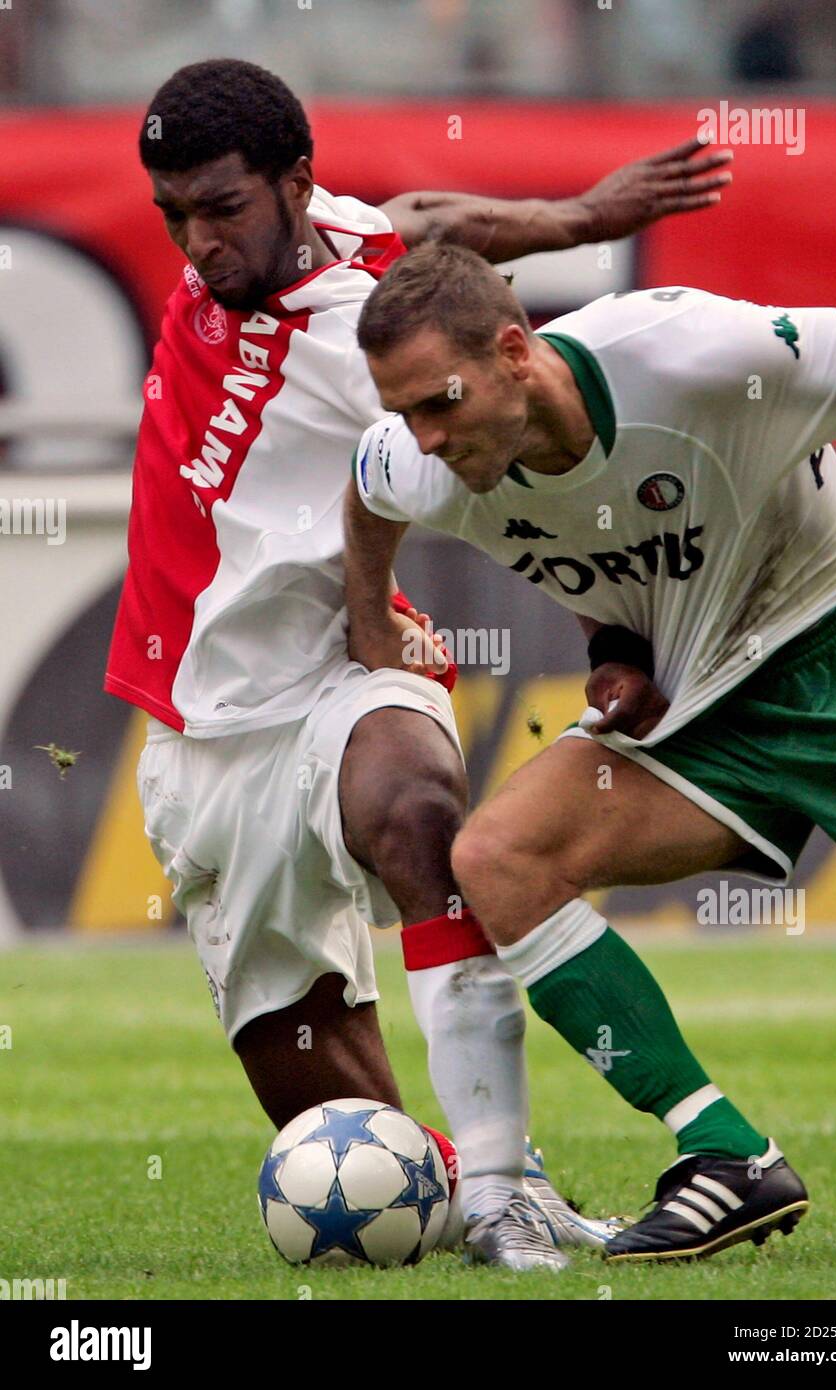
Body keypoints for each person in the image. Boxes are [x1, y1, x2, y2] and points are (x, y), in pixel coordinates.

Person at [104, 58, 736, 1268]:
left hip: (343, 687)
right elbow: (434, 218)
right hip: (200, 734)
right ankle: (467, 1189)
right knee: (349, 1146)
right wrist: (581, 218)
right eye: (173, 216)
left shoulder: (382, 342)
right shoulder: (334, 232)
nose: (198, 245)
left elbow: (543, 462)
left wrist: (385, 620)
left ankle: (507, 1187)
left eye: (223, 209)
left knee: (415, 814)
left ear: (293, 182)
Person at [344, 243, 836, 1260]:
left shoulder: (702, 353)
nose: (422, 440)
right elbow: (366, 490)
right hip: (701, 709)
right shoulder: (416, 463)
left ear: (517, 352)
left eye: (438, 404)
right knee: (498, 855)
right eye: (404, 413)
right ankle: (726, 1154)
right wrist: (375, 622)